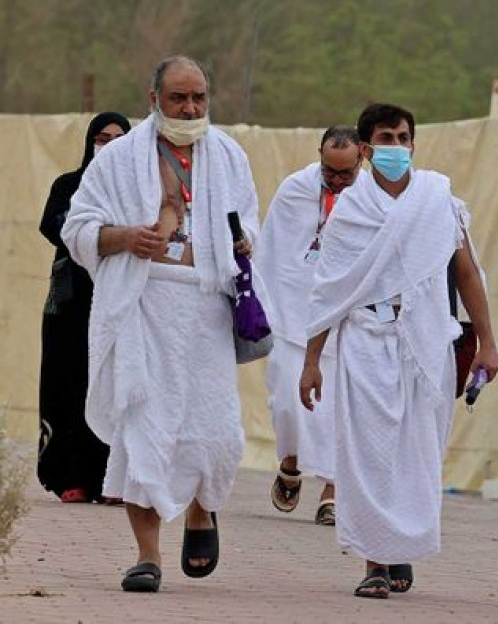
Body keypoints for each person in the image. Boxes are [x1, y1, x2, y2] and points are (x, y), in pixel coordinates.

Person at [61, 55, 260, 593]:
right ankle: (147, 556)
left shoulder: (229, 156)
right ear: (154, 100)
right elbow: (77, 229)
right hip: (143, 308)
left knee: (215, 434)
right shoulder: (119, 159)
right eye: (179, 98)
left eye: (198, 97)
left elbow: (252, 226)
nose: (190, 107)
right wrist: (126, 238)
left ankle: (201, 510)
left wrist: (244, 244)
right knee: (142, 432)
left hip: (206, 310)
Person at [299, 103, 498, 599]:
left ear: (414, 143)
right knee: (369, 452)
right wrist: (310, 361)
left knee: (416, 451)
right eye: (385, 138)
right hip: (367, 340)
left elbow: (468, 272)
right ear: (366, 150)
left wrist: (487, 343)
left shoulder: (437, 199)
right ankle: (373, 561)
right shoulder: (349, 211)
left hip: (426, 341)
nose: (396, 146)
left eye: (403, 137)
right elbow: (331, 289)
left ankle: (399, 543)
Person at [256, 125, 363, 526]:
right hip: (291, 311)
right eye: (329, 171)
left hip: (342, 319)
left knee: (339, 405)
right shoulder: (295, 189)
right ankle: (290, 459)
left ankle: (334, 488)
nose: (335, 180)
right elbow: (271, 248)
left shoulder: (371, 199)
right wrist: (263, 308)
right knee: (286, 399)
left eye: (344, 174)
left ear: (362, 159)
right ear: (318, 155)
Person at [38, 112, 131, 504]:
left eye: (117, 138)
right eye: (102, 137)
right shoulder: (70, 185)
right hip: (72, 302)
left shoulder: (138, 188)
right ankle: (69, 475)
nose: (108, 145)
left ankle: (113, 480)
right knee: (68, 383)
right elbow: (53, 224)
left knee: (114, 385)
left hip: (119, 299)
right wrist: (100, 232)